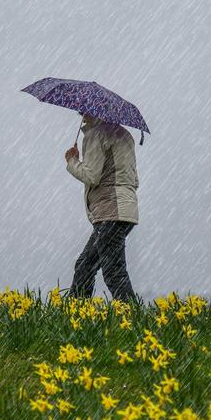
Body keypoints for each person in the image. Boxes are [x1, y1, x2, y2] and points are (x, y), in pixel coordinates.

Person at [64, 111, 140, 304]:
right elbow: (134, 179)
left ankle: (134, 319)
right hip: (125, 210)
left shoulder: (97, 134)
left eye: (83, 110)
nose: (81, 113)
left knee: (114, 272)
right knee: (85, 265)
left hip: (110, 211)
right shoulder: (125, 135)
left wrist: (72, 161)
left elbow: (92, 176)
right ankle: (77, 314)